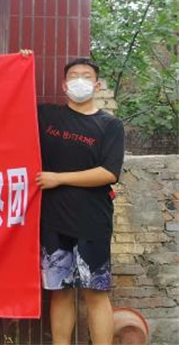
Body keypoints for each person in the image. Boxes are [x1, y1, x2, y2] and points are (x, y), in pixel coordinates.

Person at [23, 52, 125, 345]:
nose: (80, 81)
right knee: (60, 292)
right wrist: (20, 62)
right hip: (53, 221)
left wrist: (59, 178)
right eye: (73, 77)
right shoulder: (47, 116)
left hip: (92, 221)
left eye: (86, 77)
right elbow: (10, 100)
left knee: (96, 293)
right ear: (64, 85)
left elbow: (108, 172)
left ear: (97, 84)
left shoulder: (110, 126)